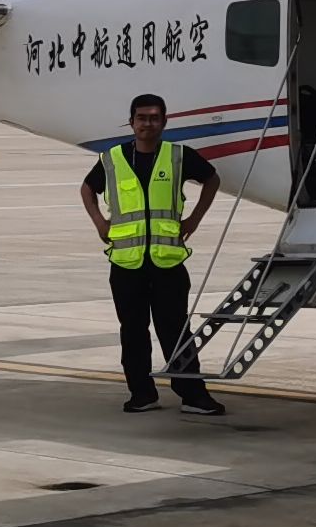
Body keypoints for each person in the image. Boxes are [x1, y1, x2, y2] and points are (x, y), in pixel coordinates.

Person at [81, 93, 224, 415]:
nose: (148, 123)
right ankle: (142, 393)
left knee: (174, 328)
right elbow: (87, 189)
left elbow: (212, 179)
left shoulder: (178, 155)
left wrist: (195, 219)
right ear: (131, 122)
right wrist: (99, 223)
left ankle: (192, 393)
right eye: (142, 118)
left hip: (167, 260)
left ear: (164, 122)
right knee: (132, 330)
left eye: (154, 117)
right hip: (126, 262)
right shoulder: (113, 158)